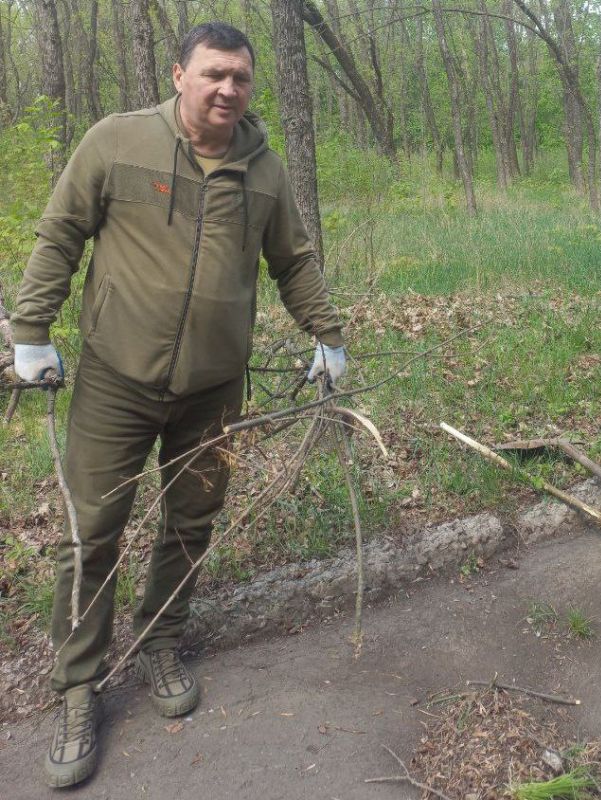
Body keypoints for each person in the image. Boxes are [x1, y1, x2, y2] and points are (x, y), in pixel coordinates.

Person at [12, 22, 346, 788]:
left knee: (191, 519)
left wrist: (328, 335)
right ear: (178, 75)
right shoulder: (117, 143)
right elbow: (61, 233)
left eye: (241, 78)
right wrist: (31, 330)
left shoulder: (263, 172)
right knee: (91, 531)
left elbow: (292, 261)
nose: (228, 89)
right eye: (214, 74)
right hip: (115, 382)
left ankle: (162, 639)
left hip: (213, 390)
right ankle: (76, 686)